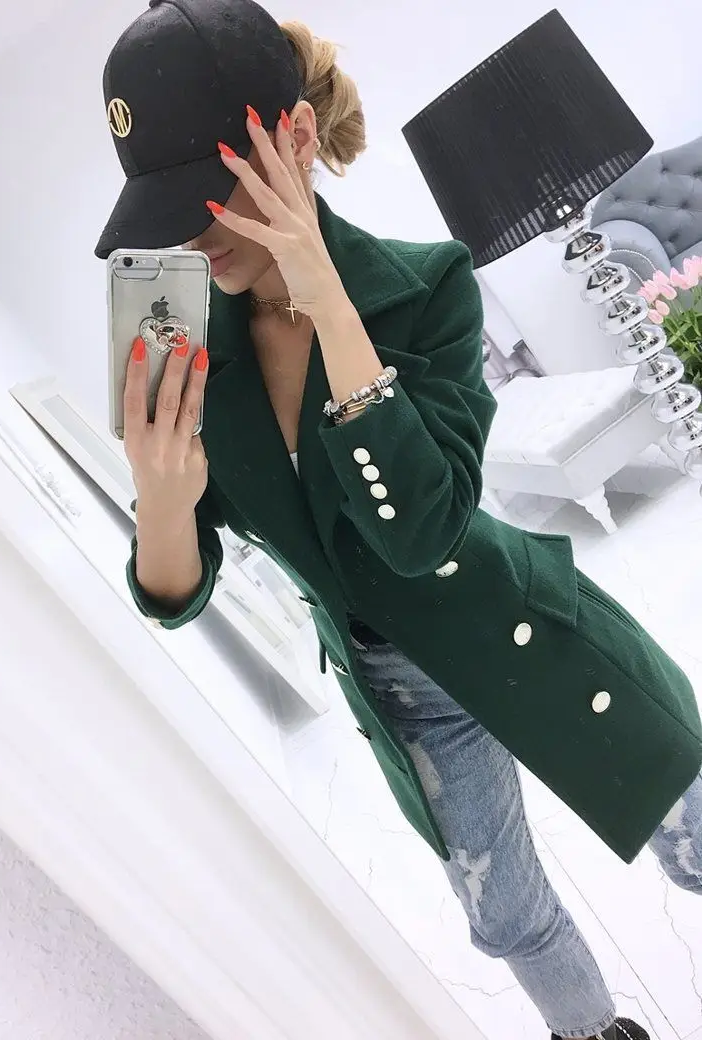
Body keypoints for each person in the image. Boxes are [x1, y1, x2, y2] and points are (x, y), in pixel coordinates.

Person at [94, 2, 702, 1037]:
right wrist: (160, 494)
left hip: (512, 621)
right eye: (164, 208)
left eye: (207, 194)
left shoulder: (426, 287)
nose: (190, 235)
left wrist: (328, 303)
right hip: (398, 692)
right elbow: (176, 595)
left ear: (291, 140)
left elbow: (421, 531)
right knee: (506, 918)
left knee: (686, 822)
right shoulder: (187, 345)